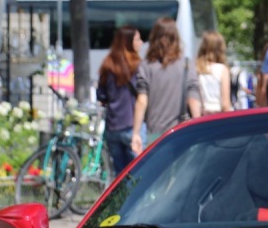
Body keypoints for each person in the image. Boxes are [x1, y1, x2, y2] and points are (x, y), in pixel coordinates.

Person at [131, 17, 201, 156]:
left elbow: (141, 101)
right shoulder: (187, 64)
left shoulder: (146, 66)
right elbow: (193, 99)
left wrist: (136, 133)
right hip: (182, 131)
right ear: (176, 38)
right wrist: (198, 128)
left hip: (155, 134)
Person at [98, 25, 142, 176]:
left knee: (120, 175)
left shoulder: (107, 64)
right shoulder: (136, 65)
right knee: (139, 172)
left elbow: (101, 96)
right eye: (137, 39)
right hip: (132, 125)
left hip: (112, 127)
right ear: (129, 42)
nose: (140, 43)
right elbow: (142, 93)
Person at [195, 30, 233, 114]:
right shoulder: (222, 70)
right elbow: (225, 104)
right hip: (218, 116)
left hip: (203, 115)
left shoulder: (197, 69)